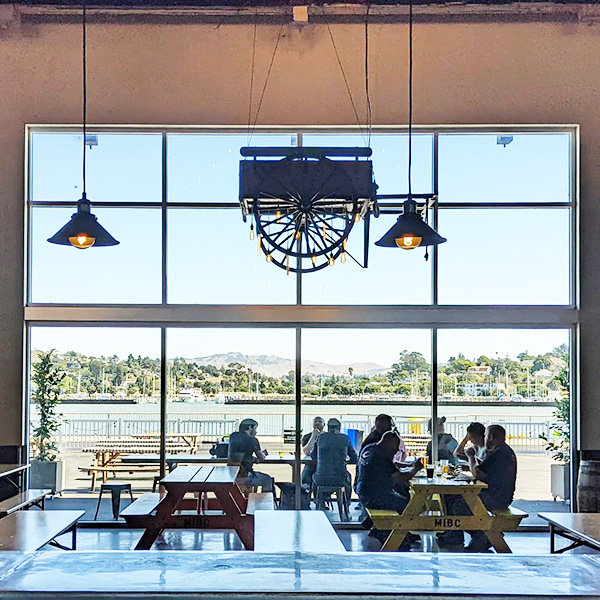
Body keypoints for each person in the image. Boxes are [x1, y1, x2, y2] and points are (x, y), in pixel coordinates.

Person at [442, 424, 517, 552]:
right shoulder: (502, 450)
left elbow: (478, 473)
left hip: (496, 497)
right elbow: (486, 470)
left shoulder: (498, 453)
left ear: (491, 437)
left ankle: (482, 535)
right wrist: (470, 462)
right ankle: (454, 534)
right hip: (499, 494)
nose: (485, 439)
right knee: (450, 496)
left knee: (461, 505)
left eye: (487, 436)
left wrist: (471, 458)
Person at [356, 431, 423, 549]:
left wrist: (409, 466)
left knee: (402, 491)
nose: (397, 450)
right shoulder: (381, 457)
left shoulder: (370, 448)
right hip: (374, 496)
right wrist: (415, 469)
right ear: (389, 443)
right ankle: (394, 534)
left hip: (364, 491)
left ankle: (387, 530)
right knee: (409, 506)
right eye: (396, 447)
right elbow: (401, 477)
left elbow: (391, 468)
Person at [311, 418, 357, 501]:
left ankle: (319, 502)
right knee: (348, 477)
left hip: (322, 479)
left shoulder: (320, 437)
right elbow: (354, 458)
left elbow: (313, 455)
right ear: (339, 428)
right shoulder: (345, 438)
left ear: (328, 428)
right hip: (340, 479)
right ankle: (346, 504)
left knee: (315, 476)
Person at [227, 418, 273, 493]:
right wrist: (264, 453)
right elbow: (261, 458)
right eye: (255, 428)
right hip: (246, 475)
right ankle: (265, 502)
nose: (256, 431)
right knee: (267, 480)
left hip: (232, 474)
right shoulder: (252, 439)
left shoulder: (233, 436)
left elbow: (239, 453)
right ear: (250, 428)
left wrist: (250, 458)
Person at [301, 416, 325, 489]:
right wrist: (313, 436)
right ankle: (305, 496)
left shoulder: (327, 437)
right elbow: (307, 452)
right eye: (315, 421)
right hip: (311, 465)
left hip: (325, 466)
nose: (317, 423)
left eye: (320, 422)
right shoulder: (306, 437)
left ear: (324, 424)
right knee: (305, 475)